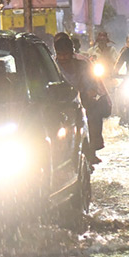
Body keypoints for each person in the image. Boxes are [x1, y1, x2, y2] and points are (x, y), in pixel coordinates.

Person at [54, 33, 107, 164]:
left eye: (66, 54)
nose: (63, 58)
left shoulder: (82, 64)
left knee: (93, 115)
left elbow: (91, 82)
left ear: (72, 53)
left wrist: (90, 91)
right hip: (59, 100)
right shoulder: (53, 66)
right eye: (60, 55)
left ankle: (92, 150)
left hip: (82, 99)